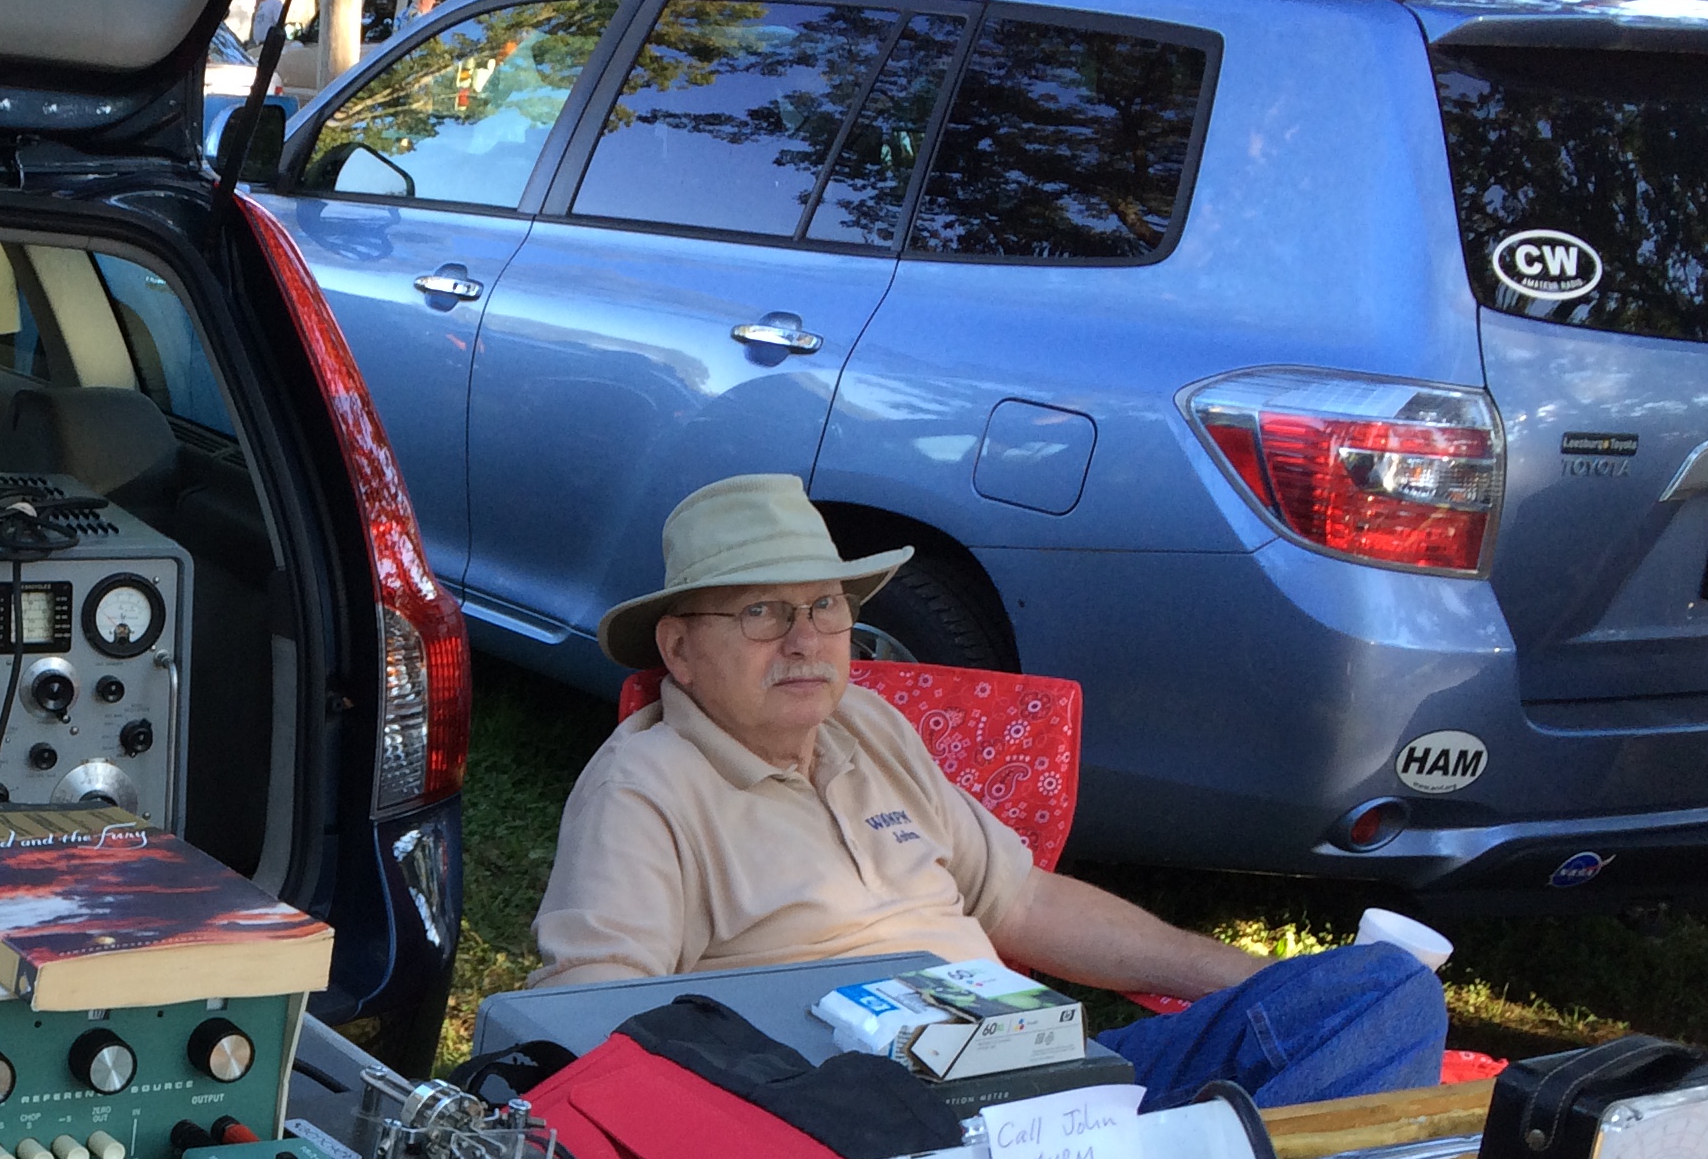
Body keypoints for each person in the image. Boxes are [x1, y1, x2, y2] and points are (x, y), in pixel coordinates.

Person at [530, 474, 1446, 1112]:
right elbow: (588, 1021)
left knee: (1382, 994)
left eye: (825, 606)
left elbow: (1023, 902)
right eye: (762, 611)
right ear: (681, 650)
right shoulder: (644, 788)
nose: (806, 640)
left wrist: (1263, 984)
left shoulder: (866, 727)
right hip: (875, 1127)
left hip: (1034, 1068)